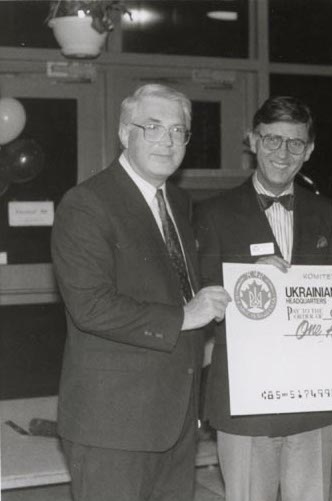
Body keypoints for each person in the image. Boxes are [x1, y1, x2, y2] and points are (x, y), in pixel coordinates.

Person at [50, 83, 231, 501]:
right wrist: (186, 316)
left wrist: (256, 279)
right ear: (123, 132)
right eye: (152, 127)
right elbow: (91, 307)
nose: (167, 141)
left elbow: (187, 286)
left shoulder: (178, 203)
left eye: (177, 131)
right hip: (113, 426)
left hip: (176, 419)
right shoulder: (87, 203)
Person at [194, 96, 332, 501]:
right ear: (252, 141)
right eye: (273, 140)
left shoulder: (327, 213)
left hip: (313, 395)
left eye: (295, 143)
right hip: (246, 399)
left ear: (309, 150)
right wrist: (248, 280)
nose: (283, 153)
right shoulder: (213, 213)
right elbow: (200, 298)